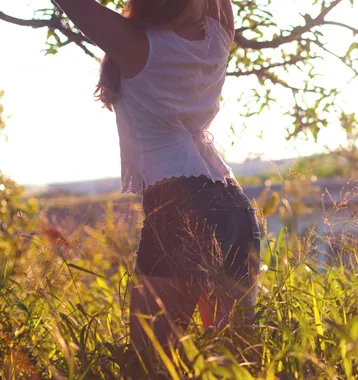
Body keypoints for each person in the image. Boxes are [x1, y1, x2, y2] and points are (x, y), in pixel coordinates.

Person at [52, 0, 261, 362]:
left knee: (152, 361)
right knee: (234, 359)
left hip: (180, 207)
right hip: (235, 207)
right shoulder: (217, 34)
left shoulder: (134, 46)